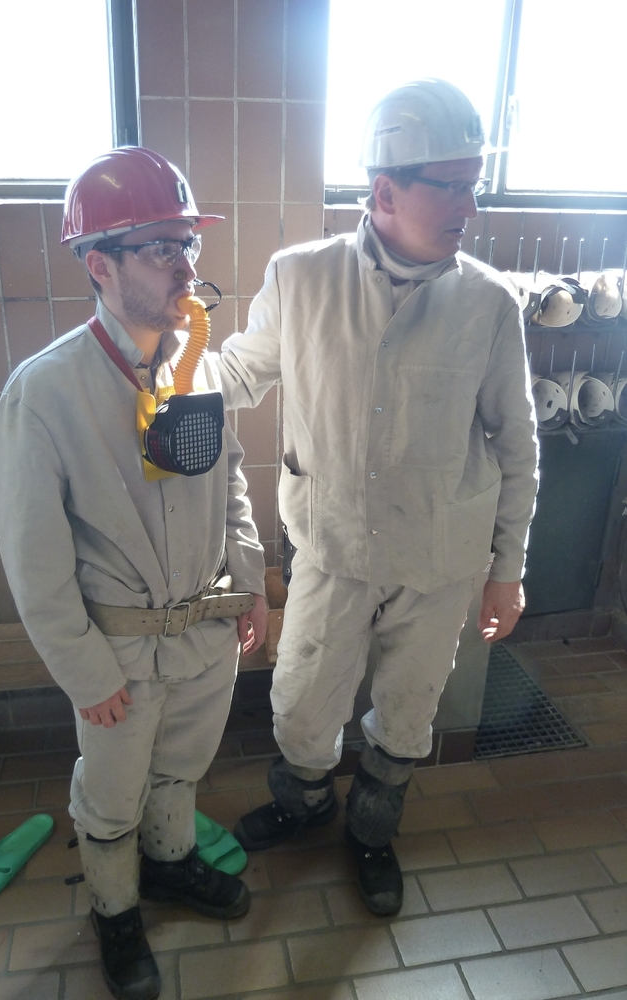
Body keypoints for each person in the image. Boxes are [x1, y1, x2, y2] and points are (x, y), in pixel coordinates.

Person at [217, 79, 538, 917]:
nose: (471, 205)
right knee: (301, 700)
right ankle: (304, 805)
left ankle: (371, 831)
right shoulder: (301, 277)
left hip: (439, 558)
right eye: (453, 185)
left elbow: (516, 444)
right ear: (386, 190)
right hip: (331, 545)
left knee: (407, 709)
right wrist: (155, 374)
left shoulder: (488, 303)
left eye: (474, 184)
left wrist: (507, 570)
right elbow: (238, 371)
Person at [0, 147, 268, 1000]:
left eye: (188, 243)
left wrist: (249, 580)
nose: (185, 265)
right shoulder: (45, 392)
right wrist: (82, 670)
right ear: (99, 264)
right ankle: (114, 909)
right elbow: (33, 556)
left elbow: (230, 480)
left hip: (204, 634)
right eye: (160, 248)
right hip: (117, 656)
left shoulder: (198, 365)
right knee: (111, 796)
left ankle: (171, 862)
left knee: (181, 768)